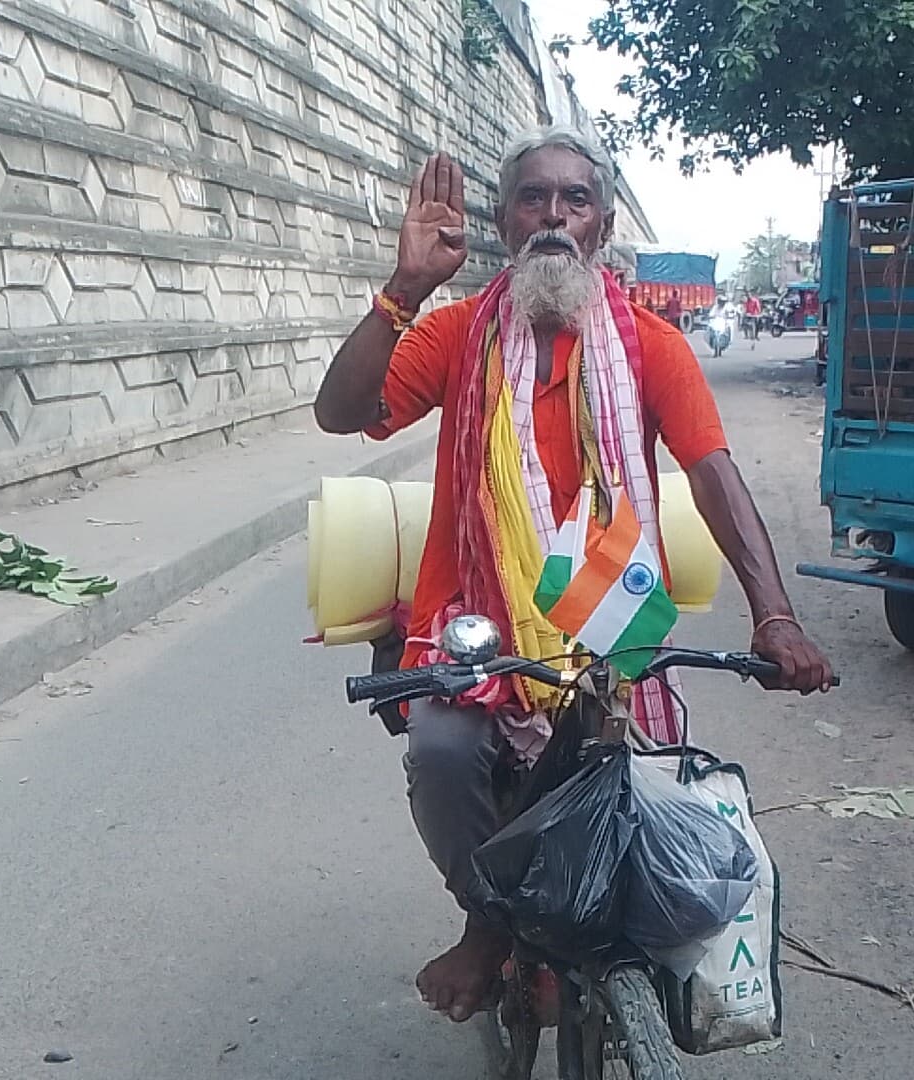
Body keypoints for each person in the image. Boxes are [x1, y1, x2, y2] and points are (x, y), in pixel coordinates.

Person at [313, 126, 833, 1024]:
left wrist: (775, 614)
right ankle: (489, 923)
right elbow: (340, 411)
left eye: (576, 199)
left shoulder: (651, 346)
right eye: (533, 198)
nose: (554, 214)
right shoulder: (458, 333)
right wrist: (404, 289)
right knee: (440, 754)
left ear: (599, 227)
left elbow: (712, 473)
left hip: (608, 630)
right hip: (476, 631)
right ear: (507, 223)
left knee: (639, 783)